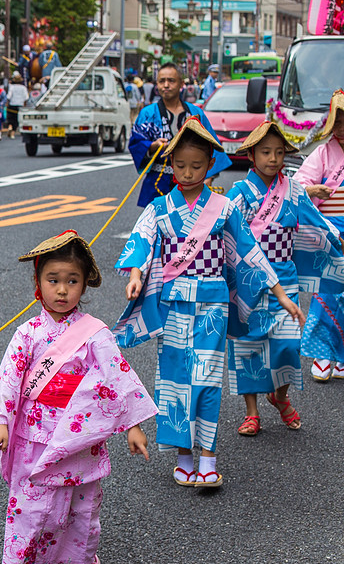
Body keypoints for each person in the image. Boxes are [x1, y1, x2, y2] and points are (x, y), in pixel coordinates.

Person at [114, 118, 302, 488]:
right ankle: (184, 455)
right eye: (180, 165)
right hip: (173, 305)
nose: (187, 172)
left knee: (207, 378)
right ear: (169, 165)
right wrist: (136, 275)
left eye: (197, 165)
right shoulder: (158, 208)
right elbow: (141, 241)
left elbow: (249, 252)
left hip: (212, 305)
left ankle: (209, 456)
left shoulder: (224, 208)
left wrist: (280, 293)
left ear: (210, 164)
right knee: (174, 379)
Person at [0, 230, 156, 564]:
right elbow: (9, 377)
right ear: (38, 283)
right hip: (32, 434)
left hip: (78, 436)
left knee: (82, 508)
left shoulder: (95, 334)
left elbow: (117, 376)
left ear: (84, 286)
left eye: (72, 281)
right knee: (23, 502)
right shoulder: (27, 333)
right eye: (53, 280)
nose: (62, 290)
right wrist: (0, 422)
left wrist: (133, 426)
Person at [224, 121, 344, 434]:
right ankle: (252, 412)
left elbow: (315, 220)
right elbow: (226, 231)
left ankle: (279, 396)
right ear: (252, 155)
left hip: (284, 274)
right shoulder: (239, 193)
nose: (273, 159)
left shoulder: (292, 190)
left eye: (279, 152)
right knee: (248, 345)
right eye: (266, 152)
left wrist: (334, 237)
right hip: (248, 279)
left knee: (288, 346)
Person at [129, 62, 231, 207]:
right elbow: (136, 142)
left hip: (192, 179)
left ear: (181, 83)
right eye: (161, 81)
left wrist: (210, 176)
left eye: (171, 81)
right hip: (159, 180)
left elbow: (212, 145)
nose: (166, 85)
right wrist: (152, 146)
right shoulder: (148, 113)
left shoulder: (195, 113)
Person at [295, 90, 344, 380]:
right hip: (331, 232)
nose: (342, 127)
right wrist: (313, 190)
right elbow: (300, 182)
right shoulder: (324, 152)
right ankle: (323, 353)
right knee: (327, 291)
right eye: (337, 121)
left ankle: (341, 357)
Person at [6, 71, 29, 137]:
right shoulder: (23, 88)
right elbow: (26, 98)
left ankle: (10, 126)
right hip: (20, 105)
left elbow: (9, 97)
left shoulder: (12, 87)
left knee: (11, 118)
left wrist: (7, 104)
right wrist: (25, 105)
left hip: (12, 105)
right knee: (17, 120)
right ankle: (13, 132)